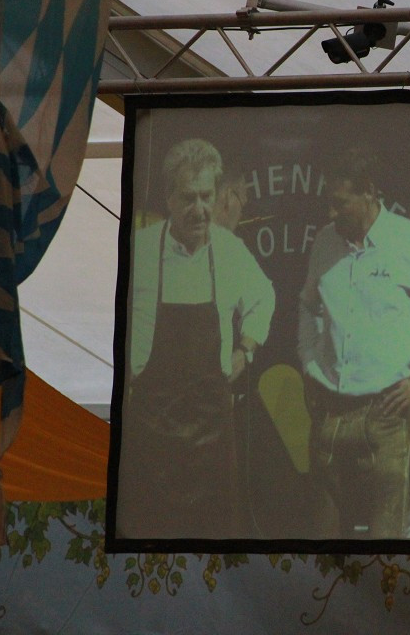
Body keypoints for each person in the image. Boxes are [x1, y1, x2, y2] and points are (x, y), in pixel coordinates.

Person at [297, 150, 410, 538]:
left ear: (369, 193)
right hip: (329, 414)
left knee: (386, 547)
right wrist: (310, 364)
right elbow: (308, 305)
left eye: (340, 203)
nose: (331, 214)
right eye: (328, 203)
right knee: (322, 545)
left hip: (384, 416)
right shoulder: (325, 243)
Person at [119, 138, 276, 539]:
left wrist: (247, 349)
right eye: (188, 198)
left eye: (207, 196)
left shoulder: (228, 251)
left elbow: (264, 296)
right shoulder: (140, 251)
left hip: (212, 434)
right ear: (169, 198)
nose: (201, 209)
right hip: (151, 433)